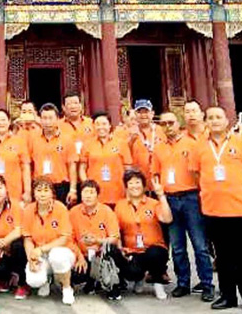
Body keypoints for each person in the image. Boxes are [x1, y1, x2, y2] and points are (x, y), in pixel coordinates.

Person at [189, 106, 242, 314]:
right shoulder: (199, 146)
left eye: (218, 117)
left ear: (227, 120)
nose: (214, 121)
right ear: (205, 122)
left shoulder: (240, 142)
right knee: (222, 256)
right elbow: (195, 174)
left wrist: (239, 189)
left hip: (241, 210)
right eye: (210, 117)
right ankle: (228, 296)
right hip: (213, 211)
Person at [151, 110, 214, 301]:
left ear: (179, 124)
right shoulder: (159, 148)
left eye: (171, 123)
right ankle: (183, 282)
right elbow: (154, 173)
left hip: (191, 197)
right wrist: (159, 193)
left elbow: (202, 170)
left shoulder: (192, 143)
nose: (167, 127)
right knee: (177, 246)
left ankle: (207, 283)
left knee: (200, 245)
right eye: (163, 124)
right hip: (170, 199)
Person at [114, 169, 172, 300]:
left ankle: (157, 282)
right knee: (131, 271)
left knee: (155, 254)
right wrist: (120, 249)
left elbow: (167, 219)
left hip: (154, 248)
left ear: (144, 186)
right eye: (131, 183)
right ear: (126, 186)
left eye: (137, 182)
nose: (134, 186)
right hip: (133, 250)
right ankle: (138, 278)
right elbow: (116, 231)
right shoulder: (120, 206)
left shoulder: (153, 203)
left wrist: (161, 196)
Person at [21, 177, 77, 304]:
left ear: (52, 193)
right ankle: (47, 280)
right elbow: (27, 238)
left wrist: (41, 249)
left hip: (62, 251)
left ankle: (67, 287)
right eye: (39, 190)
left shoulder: (60, 208)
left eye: (46, 190)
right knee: (33, 280)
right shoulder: (28, 210)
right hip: (40, 254)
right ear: (34, 193)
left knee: (56, 256)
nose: (42, 194)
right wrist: (31, 258)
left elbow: (64, 239)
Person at [69, 180, 123, 300]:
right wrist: (79, 257)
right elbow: (69, 239)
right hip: (83, 255)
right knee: (76, 276)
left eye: (92, 192)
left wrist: (98, 241)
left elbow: (114, 238)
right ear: (80, 194)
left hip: (102, 255)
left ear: (98, 195)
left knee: (112, 248)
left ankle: (113, 285)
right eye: (85, 192)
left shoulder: (107, 211)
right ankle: (91, 281)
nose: (88, 196)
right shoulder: (73, 212)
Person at [78, 112, 133, 207]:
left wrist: (129, 190)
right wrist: (87, 185)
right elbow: (82, 168)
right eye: (97, 124)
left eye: (104, 124)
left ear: (110, 125)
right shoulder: (87, 144)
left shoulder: (121, 143)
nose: (101, 127)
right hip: (95, 195)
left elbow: (128, 169)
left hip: (118, 193)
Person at [30, 103, 78, 205]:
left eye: (51, 118)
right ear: (40, 120)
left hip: (60, 186)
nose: (47, 122)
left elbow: (72, 166)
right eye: (44, 118)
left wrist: (73, 189)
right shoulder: (33, 138)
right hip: (39, 186)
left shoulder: (67, 139)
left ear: (57, 119)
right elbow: (29, 165)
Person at [127, 100, 166, 188]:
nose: (143, 115)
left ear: (152, 113)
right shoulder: (128, 133)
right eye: (140, 112)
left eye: (146, 112)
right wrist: (130, 141)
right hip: (138, 182)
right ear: (135, 114)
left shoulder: (161, 130)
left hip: (160, 179)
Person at [59, 93, 94, 158]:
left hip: (89, 161)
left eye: (75, 103)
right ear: (63, 107)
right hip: (67, 162)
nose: (73, 106)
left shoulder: (91, 123)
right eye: (69, 104)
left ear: (81, 105)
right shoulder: (57, 126)